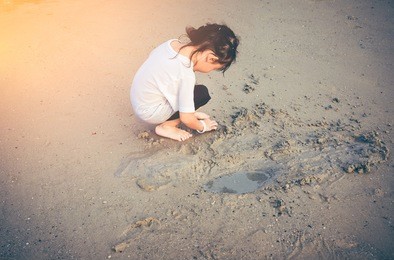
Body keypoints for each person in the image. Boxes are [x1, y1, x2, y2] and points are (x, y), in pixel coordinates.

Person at [130, 23, 239, 141]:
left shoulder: (172, 43)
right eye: (213, 68)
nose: (209, 71)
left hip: (139, 98)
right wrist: (202, 126)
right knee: (201, 94)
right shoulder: (185, 74)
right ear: (211, 58)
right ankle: (167, 126)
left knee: (185, 91)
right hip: (150, 112)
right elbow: (187, 119)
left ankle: (180, 112)